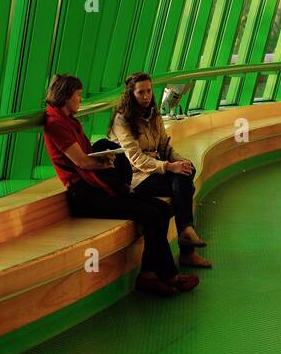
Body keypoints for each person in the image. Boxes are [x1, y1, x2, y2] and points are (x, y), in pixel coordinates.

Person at [43, 73, 199, 298]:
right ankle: (167, 276)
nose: (81, 100)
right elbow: (83, 161)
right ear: (66, 96)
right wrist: (107, 162)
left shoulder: (69, 121)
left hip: (96, 188)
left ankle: (149, 274)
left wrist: (104, 160)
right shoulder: (56, 124)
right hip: (86, 195)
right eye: (78, 96)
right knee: (153, 214)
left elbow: (87, 158)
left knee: (163, 209)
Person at [110, 72, 212, 269]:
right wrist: (168, 166)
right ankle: (187, 243)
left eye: (148, 91)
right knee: (184, 187)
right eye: (141, 92)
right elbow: (136, 159)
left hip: (156, 170)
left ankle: (186, 234)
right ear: (131, 95)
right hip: (136, 177)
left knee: (185, 173)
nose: (146, 96)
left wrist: (180, 161)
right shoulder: (122, 120)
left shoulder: (154, 114)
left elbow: (165, 146)